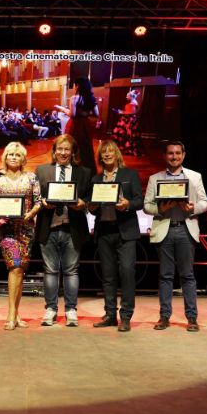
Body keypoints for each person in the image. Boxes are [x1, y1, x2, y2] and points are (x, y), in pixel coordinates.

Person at [144, 140, 207, 332]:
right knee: (165, 276)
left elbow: (205, 203)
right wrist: (160, 209)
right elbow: (147, 206)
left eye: (178, 153)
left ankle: (192, 318)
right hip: (165, 228)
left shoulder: (195, 177)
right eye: (170, 153)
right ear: (165, 156)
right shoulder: (155, 178)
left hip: (185, 229)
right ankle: (164, 317)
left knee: (187, 275)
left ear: (183, 155)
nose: (174, 157)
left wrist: (192, 208)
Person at [34, 135, 91, 327]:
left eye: (67, 149)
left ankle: (70, 310)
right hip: (48, 227)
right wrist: (42, 202)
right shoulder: (42, 170)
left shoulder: (84, 172)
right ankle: (51, 309)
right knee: (50, 271)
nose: (63, 153)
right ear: (54, 151)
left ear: (73, 152)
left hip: (72, 228)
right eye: (60, 149)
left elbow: (89, 199)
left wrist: (83, 204)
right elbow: (35, 197)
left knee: (71, 271)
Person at [88, 140, 143, 332]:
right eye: (104, 152)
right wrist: (92, 206)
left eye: (110, 151)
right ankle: (110, 314)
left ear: (117, 154)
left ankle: (126, 316)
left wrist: (128, 204)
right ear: (100, 157)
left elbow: (139, 201)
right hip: (104, 231)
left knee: (127, 273)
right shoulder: (96, 179)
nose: (107, 154)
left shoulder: (130, 174)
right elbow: (92, 208)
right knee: (108, 275)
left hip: (125, 231)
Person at [0, 142, 42, 330]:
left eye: (17, 155)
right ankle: (11, 315)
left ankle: (16, 314)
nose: (13, 157)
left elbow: (38, 202)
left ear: (23, 159)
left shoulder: (31, 178)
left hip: (26, 230)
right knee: (15, 266)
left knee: (20, 271)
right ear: (5, 157)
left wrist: (30, 214)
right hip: (6, 231)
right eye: (10, 154)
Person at [55, 77, 99, 171]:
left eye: (75, 85)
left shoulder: (74, 98)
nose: (74, 87)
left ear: (78, 86)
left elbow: (72, 114)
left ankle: (72, 169)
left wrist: (62, 108)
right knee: (86, 147)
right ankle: (87, 170)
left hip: (75, 125)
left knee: (73, 146)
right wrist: (85, 113)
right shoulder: (91, 98)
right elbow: (96, 113)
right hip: (86, 125)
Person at [112, 90, 140, 156]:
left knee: (127, 134)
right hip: (126, 120)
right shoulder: (132, 102)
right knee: (122, 134)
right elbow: (128, 111)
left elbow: (132, 113)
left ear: (131, 96)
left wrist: (121, 112)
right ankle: (124, 148)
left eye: (128, 96)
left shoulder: (133, 103)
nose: (126, 97)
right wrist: (121, 111)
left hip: (129, 121)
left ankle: (128, 149)